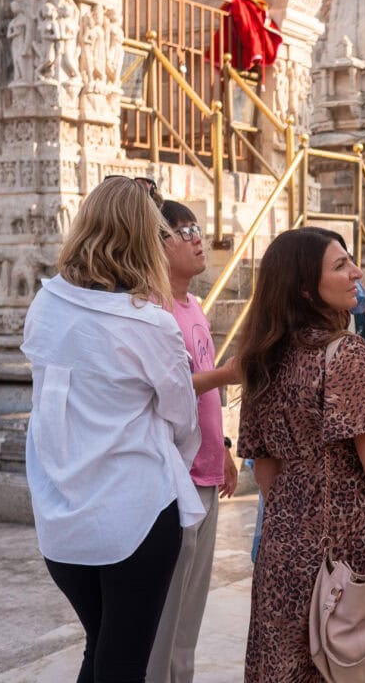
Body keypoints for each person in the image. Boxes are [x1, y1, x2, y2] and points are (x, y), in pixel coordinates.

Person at [21, 177, 204, 683]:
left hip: (61, 511)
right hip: (136, 513)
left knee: (101, 649)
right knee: (123, 660)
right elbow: (182, 421)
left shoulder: (45, 305)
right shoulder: (148, 324)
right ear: (146, 238)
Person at [236, 227, 365, 683]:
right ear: (306, 287)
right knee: (362, 661)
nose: (356, 273)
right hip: (348, 545)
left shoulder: (262, 354)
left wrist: (294, 509)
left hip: (283, 544)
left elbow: (265, 468)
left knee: (288, 663)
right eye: (341, 265)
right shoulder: (343, 352)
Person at [147, 201, 240, 683]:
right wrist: (228, 372)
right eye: (184, 232)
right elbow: (175, 386)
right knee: (166, 608)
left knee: (191, 609)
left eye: (197, 228)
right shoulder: (153, 310)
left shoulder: (194, 306)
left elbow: (208, 389)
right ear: (157, 244)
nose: (198, 238)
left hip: (204, 467)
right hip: (173, 477)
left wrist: (222, 444)